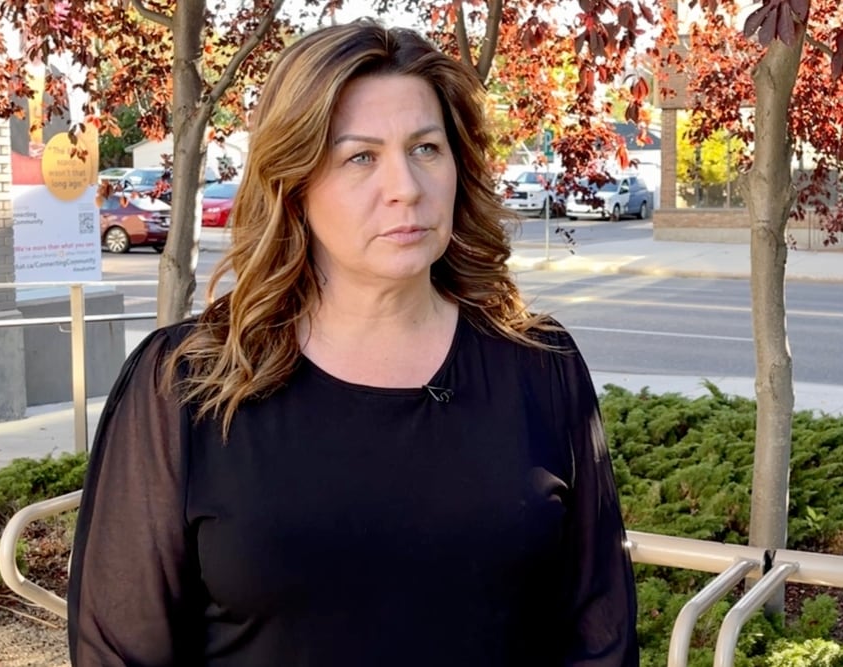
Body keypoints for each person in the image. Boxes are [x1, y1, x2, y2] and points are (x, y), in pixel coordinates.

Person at [67, 19, 638, 667]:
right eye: (360, 156)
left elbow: (600, 634)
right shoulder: (185, 383)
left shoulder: (540, 365)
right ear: (295, 183)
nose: (406, 187)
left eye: (426, 148)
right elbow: (119, 650)